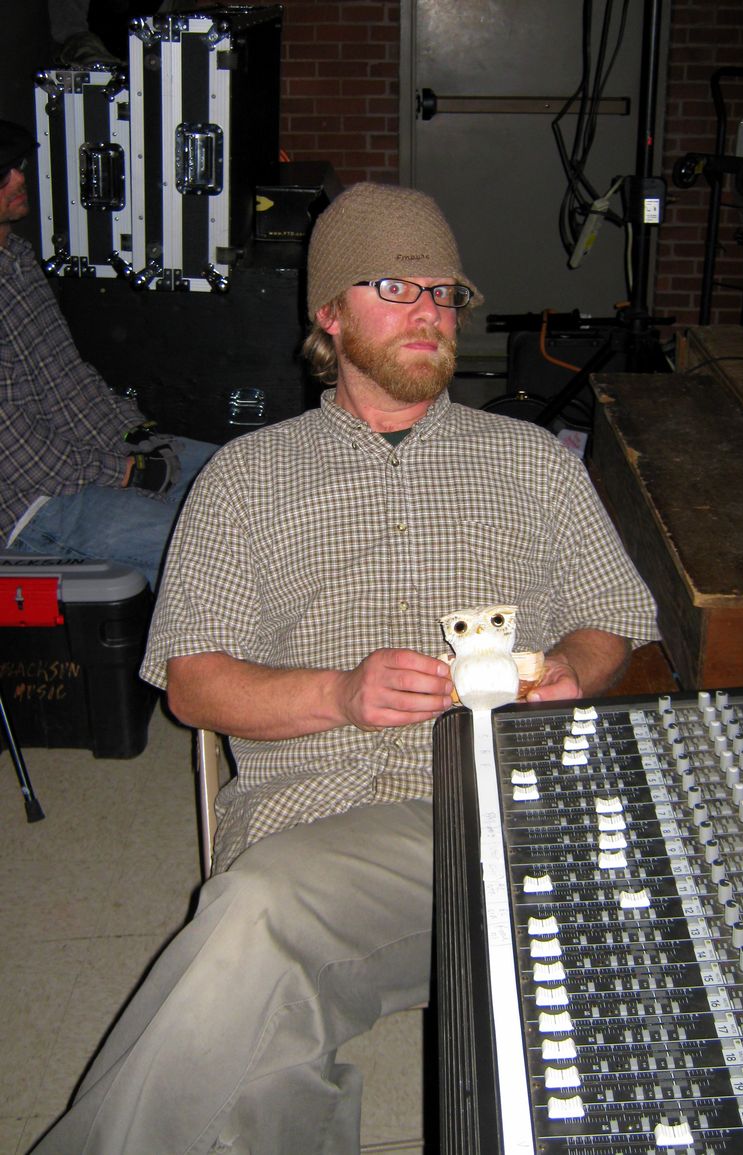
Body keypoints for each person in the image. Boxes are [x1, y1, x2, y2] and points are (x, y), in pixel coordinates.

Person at [30, 181, 659, 1154]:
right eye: (394, 288)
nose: (429, 312)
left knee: (251, 945)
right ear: (329, 311)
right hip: (311, 819)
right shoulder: (245, 479)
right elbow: (194, 682)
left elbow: (613, 615)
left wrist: (573, 666)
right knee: (257, 967)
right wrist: (340, 694)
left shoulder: (532, 462)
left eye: (443, 293)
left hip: (498, 816)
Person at [0, 119, 217, 591]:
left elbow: (68, 378)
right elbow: (15, 451)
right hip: (30, 507)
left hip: (82, 464)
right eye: (3, 174)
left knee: (247, 478)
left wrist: (135, 436)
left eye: (16, 165)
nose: (19, 178)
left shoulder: (16, 259)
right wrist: (127, 472)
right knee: (212, 550)